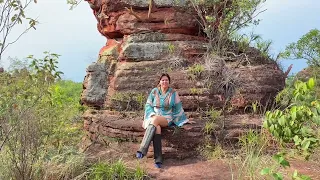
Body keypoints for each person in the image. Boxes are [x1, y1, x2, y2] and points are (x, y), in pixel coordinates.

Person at [136, 73, 189, 168]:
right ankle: (158, 159)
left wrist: (183, 120)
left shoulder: (173, 93)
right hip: (153, 115)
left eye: (166, 80)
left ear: (169, 82)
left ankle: (143, 149)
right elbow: (148, 105)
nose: (165, 82)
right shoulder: (154, 91)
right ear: (159, 82)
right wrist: (151, 113)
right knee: (157, 128)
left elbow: (178, 107)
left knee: (156, 120)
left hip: (166, 117)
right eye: (163, 80)